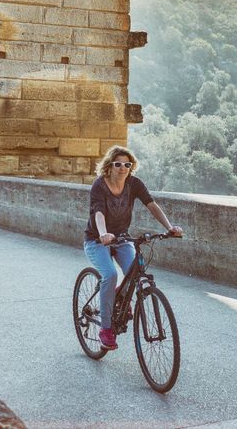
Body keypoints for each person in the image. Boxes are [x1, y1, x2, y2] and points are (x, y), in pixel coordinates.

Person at [85, 145, 183, 351]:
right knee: (110, 274)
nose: (122, 168)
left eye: (127, 165)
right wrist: (103, 233)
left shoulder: (134, 184)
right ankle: (106, 329)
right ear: (109, 166)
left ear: (131, 167)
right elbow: (98, 212)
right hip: (97, 240)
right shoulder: (99, 185)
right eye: (118, 164)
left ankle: (120, 295)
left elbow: (151, 204)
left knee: (135, 271)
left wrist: (169, 227)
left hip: (121, 238)